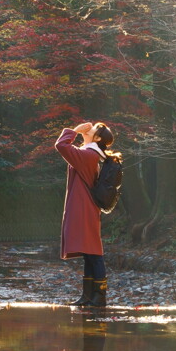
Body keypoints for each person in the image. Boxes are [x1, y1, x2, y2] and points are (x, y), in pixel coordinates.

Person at [55, 121, 117, 307]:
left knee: (94, 252)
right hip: (86, 206)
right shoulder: (91, 154)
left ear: (97, 138)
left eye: (94, 129)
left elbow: (61, 145)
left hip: (84, 206)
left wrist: (74, 131)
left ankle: (99, 296)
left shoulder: (89, 155)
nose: (89, 128)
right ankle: (88, 295)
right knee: (89, 252)